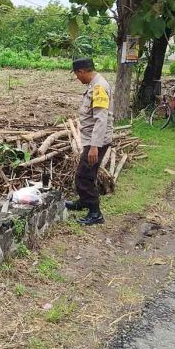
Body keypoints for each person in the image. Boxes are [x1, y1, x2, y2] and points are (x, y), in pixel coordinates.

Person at [65, 57, 114, 225]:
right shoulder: (94, 84)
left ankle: (95, 213)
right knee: (87, 173)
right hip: (92, 139)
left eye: (77, 75)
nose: (77, 78)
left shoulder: (99, 87)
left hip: (97, 141)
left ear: (82, 71)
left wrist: (94, 146)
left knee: (83, 176)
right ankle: (84, 202)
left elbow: (101, 119)